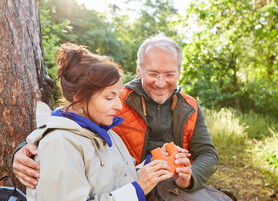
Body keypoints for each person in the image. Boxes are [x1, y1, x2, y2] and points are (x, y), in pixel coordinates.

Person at [13, 33, 219, 191]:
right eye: (153, 73)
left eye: (169, 74)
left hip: (176, 193)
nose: (160, 82)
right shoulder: (115, 98)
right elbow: (69, 118)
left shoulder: (189, 106)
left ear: (180, 72)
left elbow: (208, 154)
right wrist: (24, 149)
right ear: (139, 71)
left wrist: (189, 177)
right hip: (124, 194)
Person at [26, 43, 177, 201]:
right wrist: (138, 189)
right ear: (80, 98)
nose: (119, 105)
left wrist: (152, 167)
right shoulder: (59, 144)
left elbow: (118, 182)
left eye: (119, 96)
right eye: (109, 97)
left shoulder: (107, 133)